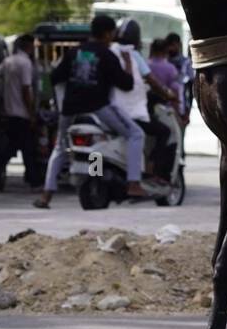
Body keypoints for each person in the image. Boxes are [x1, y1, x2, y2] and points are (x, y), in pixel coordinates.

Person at [34, 14, 144, 208]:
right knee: (136, 134)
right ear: (108, 33)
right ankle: (133, 183)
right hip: (98, 109)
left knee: (60, 148)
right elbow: (126, 84)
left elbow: (55, 77)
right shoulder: (107, 55)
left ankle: (46, 195)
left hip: (69, 111)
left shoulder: (73, 53)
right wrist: (127, 62)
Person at [111, 18, 177, 180]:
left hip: (107, 111)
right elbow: (152, 82)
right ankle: (149, 171)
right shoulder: (132, 55)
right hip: (129, 112)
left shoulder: (109, 51)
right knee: (162, 132)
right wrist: (168, 95)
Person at [0, 33, 42, 189]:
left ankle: (32, 178)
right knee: (22, 147)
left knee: (19, 147)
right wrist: (31, 113)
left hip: (9, 112)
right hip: (22, 114)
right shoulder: (25, 63)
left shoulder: (8, 61)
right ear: (29, 46)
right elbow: (26, 89)